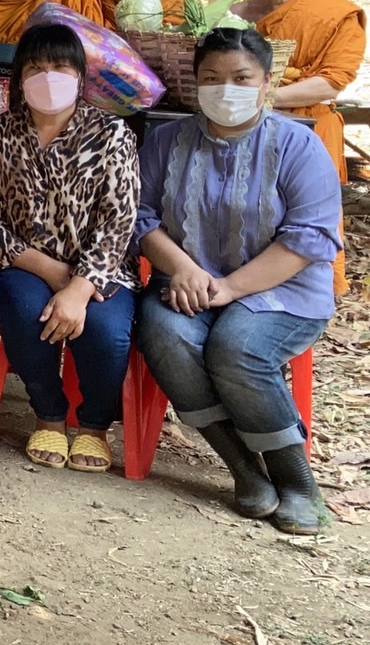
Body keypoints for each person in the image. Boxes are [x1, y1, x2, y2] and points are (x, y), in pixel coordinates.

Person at [135, 28, 340, 535]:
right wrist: (183, 267)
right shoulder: (165, 141)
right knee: (165, 335)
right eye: (211, 77)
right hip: (185, 282)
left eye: (241, 78)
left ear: (266, 83)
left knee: (236, 347)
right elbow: (139, 217)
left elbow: (308, 239)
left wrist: (229, 289)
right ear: (195, 83)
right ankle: (243, 469)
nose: (225, 89)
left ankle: (297, 482)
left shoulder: (298, 145)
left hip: (283, 291)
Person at [0, 24, 139, 472]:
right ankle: (49, 414)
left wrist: (79, 287)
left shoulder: (112, 134)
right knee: (27, 310)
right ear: (19, 77)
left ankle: (95, 425)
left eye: (61, 67)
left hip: (100, 269)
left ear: (80, 76)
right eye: (35, 68)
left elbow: (119, 220)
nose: (48, 77)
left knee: (105, 329)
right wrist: (52, 272)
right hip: (20, 264)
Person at [231, 0, 366, 294]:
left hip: (310, 127)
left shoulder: (337, 13)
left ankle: (312, 295)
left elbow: (332, 81)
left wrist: (262, 98)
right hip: (241, 127)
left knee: (309, 215)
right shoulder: (237, 13)